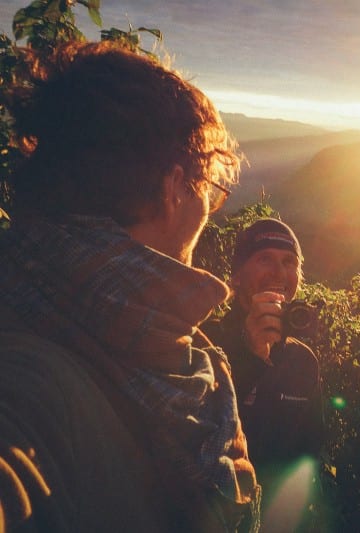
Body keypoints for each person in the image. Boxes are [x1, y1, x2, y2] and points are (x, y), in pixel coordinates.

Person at [0, 42, 260, 531]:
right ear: (174, 186)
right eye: (209, 187)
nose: (208, 205)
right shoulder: (27, 387)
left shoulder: (173, 353)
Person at [203, 218, 324, 529]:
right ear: (237, 275)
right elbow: (194, 441)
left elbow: (310, 456)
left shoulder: (303, 360)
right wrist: (249, 358)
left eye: (289, 262)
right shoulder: (204, 342)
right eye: (264, 259)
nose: (279, 273)